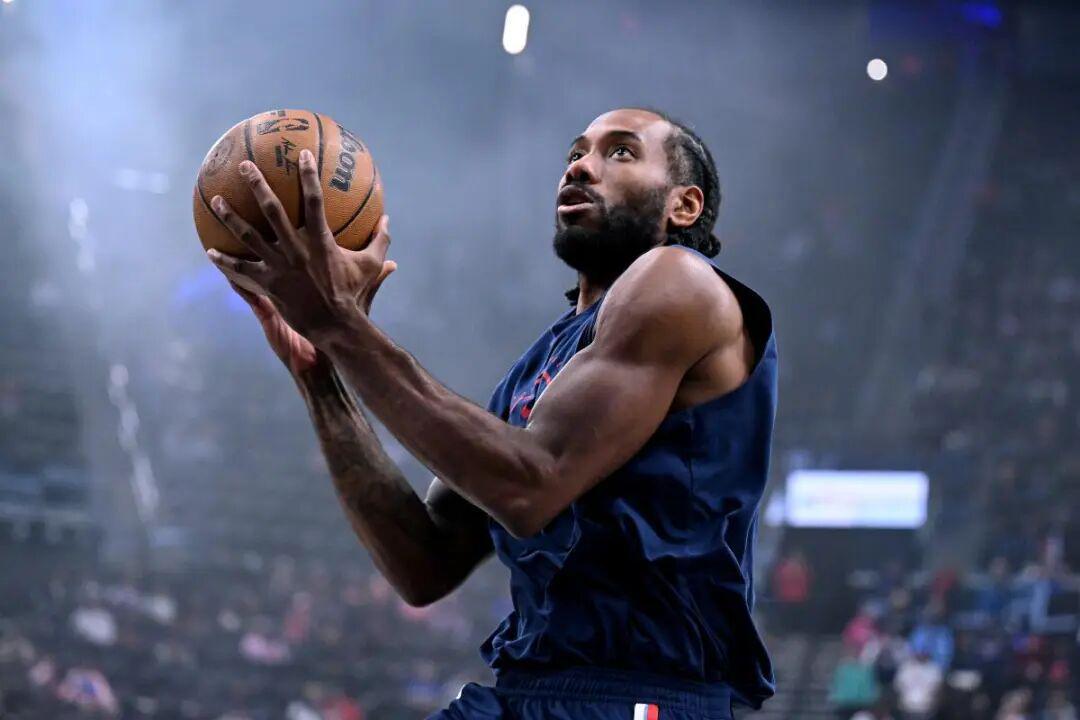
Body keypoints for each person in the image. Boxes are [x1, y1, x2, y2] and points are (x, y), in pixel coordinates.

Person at [203, 107, 779, 720]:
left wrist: (341, 325)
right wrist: (323, 378)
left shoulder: (682, 281)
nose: (581, 166)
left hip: (640, 694)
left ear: (683, 205)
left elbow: (532, 487)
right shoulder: (540, 365)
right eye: (575, 153)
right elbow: (424, 563)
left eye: (620, 152)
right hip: (527, 692)